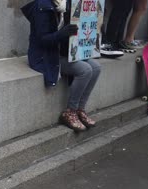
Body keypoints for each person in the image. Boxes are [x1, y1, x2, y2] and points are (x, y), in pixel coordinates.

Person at [22, 0, 101, 132]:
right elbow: (42, 40)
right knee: (85, 70)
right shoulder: (42, 6)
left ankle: (80, 109)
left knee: (96, 68)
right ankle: (70, 111)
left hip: (64, 52)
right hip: (46, 56)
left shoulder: (67, 4)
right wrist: (62, 34)